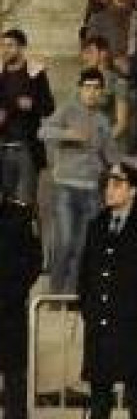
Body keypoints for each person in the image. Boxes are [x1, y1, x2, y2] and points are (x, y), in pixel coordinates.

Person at [78, 162, 137, 419]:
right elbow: (86, 272)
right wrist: (89, 307)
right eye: (108, 183)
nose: (109, 189)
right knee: (99, 400)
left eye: (117, 184)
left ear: (133, 190)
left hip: (130, 324)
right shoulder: (96, 226)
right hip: (100, 325)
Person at [40, 68, 118, 292]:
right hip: (65, 185)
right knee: (64, 242)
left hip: (92, 189)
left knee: (83, 246)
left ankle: (73, 294)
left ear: (101, 91)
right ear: (80, 89)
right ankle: (55, 293)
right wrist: (68, 135)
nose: (92, 92)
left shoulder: (103, 120)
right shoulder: (67, 110)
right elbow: (43, 131)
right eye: (87, 87)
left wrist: (121, 166)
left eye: (96, 88)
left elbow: (110, 155)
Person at [0, 168, 41, 419]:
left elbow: (35, 260)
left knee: (15, 379)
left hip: (11, 313)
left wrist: (15, 291)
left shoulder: (21, 214)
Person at [0, 29, 55, 207]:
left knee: (25, 204)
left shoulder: (35, 74)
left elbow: (49, 107)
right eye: (3, 46)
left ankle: (28, 234)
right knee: (6, 205)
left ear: (22, 47)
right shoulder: (0, 75)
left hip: (27, 149)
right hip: (3, 147)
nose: (5, 50)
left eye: (10, 45)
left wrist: (32, 105)